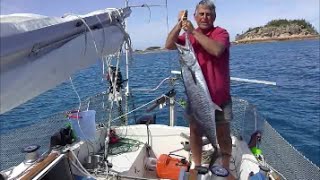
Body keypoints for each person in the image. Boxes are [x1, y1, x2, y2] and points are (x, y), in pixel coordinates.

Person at [165, 0, 234, 179]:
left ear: (214, 17)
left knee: (223, 133)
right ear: (195, 16)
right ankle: (197, 165)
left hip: (220, 97)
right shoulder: (189, 37)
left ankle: (225, 165)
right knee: (195, 131)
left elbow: (217, 50)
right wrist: (179, 24)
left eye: (208, 14)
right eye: (201, 14)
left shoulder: (220, 33)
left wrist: (192, 31)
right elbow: (169, 44)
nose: (204, 17)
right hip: (197, 97)